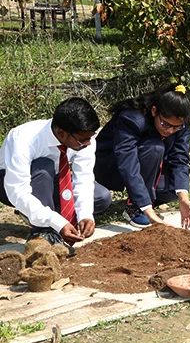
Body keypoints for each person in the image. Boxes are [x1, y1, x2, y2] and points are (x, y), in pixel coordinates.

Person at [0, 97, 112, 248]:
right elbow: (17, 190)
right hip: (10, 184)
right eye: (83, 140)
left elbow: (83, 178)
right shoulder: (23, 138)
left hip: (54, 180)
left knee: (101, 197)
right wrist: (56, 222)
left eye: (90, 137)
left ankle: (39, 212)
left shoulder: (84, 139)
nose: (89, 143)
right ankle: (43, 230)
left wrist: (85, 214)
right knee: (43, 166)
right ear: (61, 133)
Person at [94, 85, 190, 229]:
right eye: (165, 124)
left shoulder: (181, 124)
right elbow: (127, 162)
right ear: (154, 111)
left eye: (176, 127)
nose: (170, 130)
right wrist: (146, 209)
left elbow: (180, 158)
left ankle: (144, 198)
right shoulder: (132, 118)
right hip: (111, 165)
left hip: (148, 165)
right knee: (154, 148)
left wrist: (183, 197)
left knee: (175, 188)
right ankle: (135, 207)